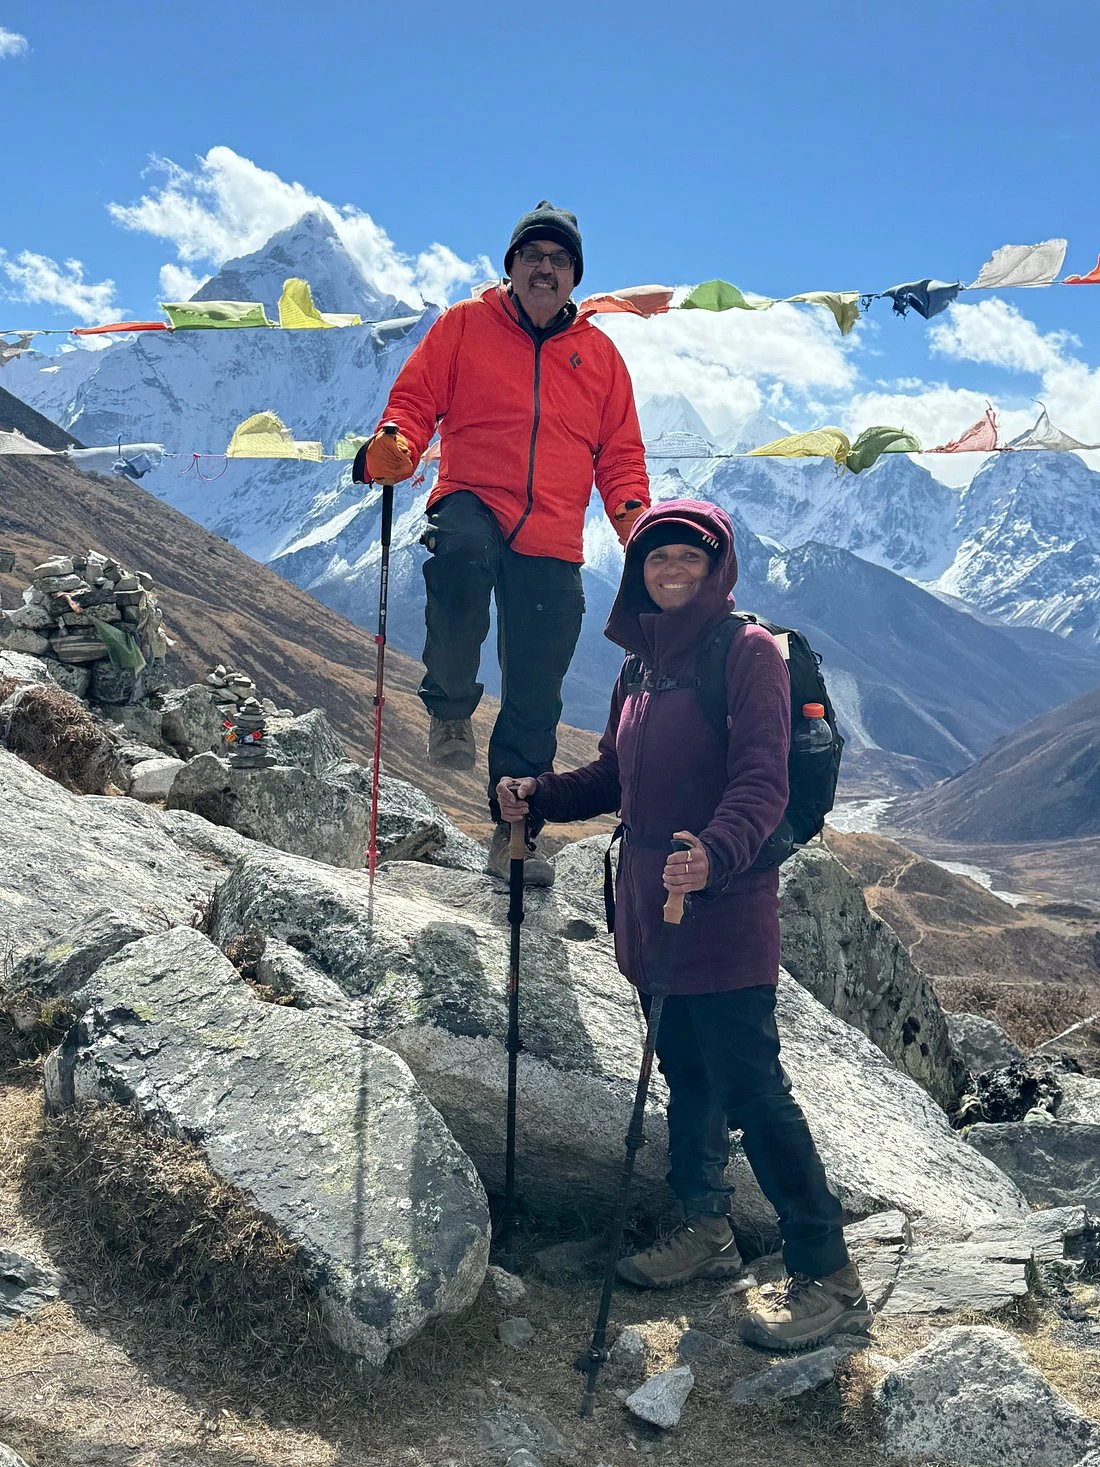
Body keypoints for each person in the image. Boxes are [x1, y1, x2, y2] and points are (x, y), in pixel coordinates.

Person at [496, 498, 871, 1352]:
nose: (671, 570)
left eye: (688, 558)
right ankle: (706, 1229)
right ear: (638, 571)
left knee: (755, 1092)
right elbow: (615, 776)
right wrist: (540, 795)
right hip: (651, 912)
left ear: (716, 567)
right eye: (656, 558)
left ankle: (829, 1274)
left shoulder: (746, 653)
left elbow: (763, 781)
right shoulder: (640, 665)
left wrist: (714, 853)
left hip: (723, 911)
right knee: (689, 1076)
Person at [360, 201, 650, 887]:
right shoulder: (465, 324)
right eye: (533, 256)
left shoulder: (601, 358)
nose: (546, 268)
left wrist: (636, 521)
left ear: (575, 277)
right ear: (511, 267)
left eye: (560, 260)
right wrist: (397, 441)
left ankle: (513, 832)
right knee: (459, 555)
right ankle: (450, 708)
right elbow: (415, 399)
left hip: (553, 531)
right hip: (473, 497)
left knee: (536, 692)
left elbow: (620, 455)